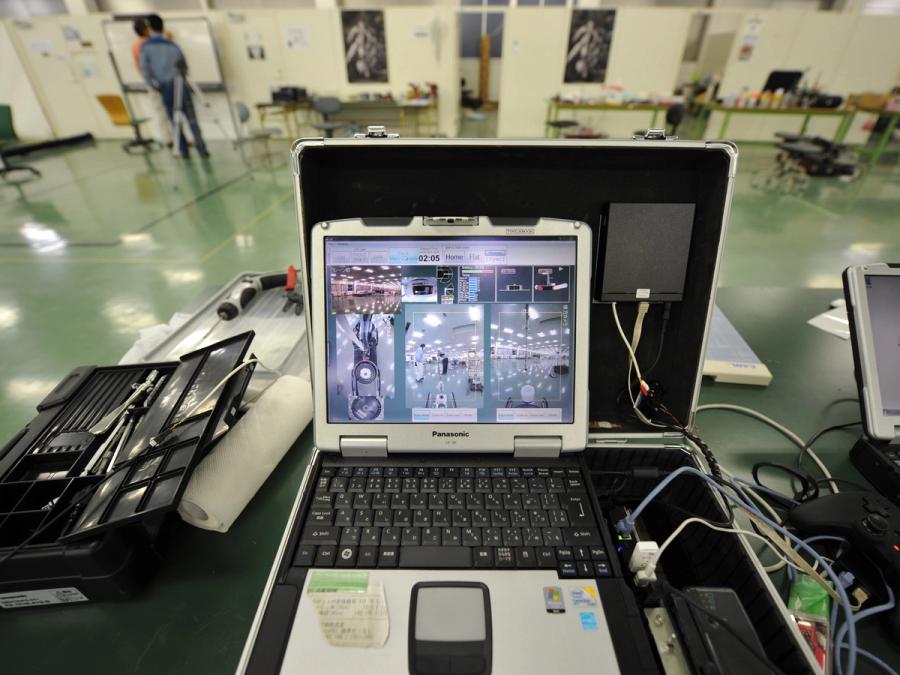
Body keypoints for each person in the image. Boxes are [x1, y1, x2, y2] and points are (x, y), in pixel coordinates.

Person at [140, 14, 209, 159]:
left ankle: (183, 151)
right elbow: (184, 65)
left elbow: (145, 70)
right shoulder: (173, 45)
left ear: (149, 28)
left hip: (166, 87)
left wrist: (154, 85)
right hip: (181, 84)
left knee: (174, 121)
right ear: (162, 27)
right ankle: (202, 149)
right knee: (192, 119)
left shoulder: (146, 48)